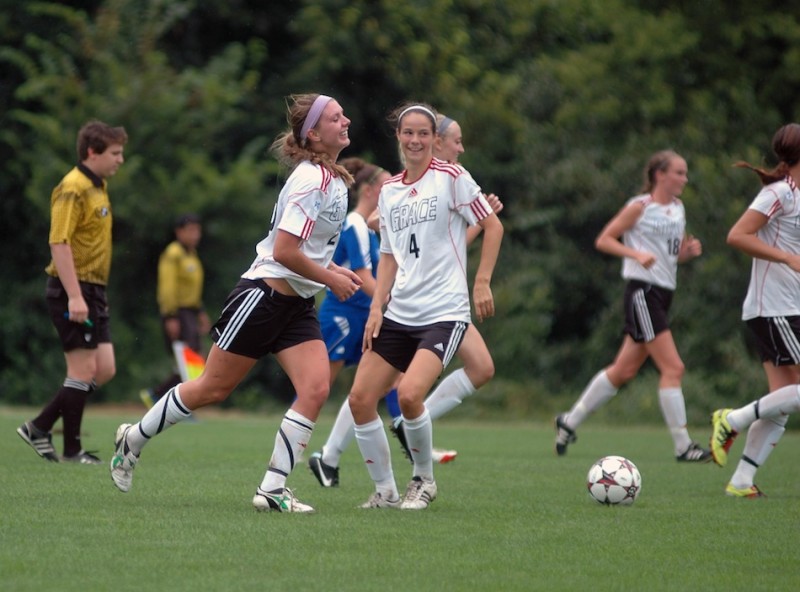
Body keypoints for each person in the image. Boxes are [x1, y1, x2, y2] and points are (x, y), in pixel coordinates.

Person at [109, 93, 361, 513]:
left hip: (296, 305)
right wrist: (331, 279)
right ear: (314, 134)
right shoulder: (309, 180)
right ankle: (132, 438)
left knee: (315, 388)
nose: (347, 121)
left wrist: (335, 268)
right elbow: (283, 251)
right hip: (262, 297)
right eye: (337, 118)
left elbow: (308, 249)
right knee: (212, 387)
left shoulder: (333, 179)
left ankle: (273, 489)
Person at [308, 113, 504, 488]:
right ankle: (372, 481)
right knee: (358, 397)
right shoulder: (392, 191)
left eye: (423, 133)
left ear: (432, 139)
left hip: (444, 309)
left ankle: (420, 472)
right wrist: (377, 307)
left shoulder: (454, 179)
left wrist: (482, 281)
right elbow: (391, 254)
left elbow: (474, 235)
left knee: (418, 392)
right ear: (399, 136)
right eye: (409, 133)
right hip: (390, 311)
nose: (416, 140)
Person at [554, 150, 711, 462]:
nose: (684, 178)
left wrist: (686, 254)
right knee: (673, 367)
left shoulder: (678, 209)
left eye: (684, 172)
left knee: (623, 370)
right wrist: (635, 255)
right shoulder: (639, 206)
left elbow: (670, 253)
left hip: (664, 293)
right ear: (659, 175)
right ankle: (683, 446)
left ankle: (568, 422)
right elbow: (605, 239)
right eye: (679, 172)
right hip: (643, 292)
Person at [17, 120, 128, 464]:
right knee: (80, 372)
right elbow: (59, 242)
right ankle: (72, 450)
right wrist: (76, 295)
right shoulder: (73, 187)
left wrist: (94, 292)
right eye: (115, 153)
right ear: (92, 152)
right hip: (71, 290)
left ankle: (40, 426)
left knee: (104, 369)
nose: (120, 160)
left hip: (93, 290)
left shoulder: (99, 185)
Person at [710, 123, 800, 497]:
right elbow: (737, 234)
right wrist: (786, 258)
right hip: (773, 306)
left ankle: (742, 481)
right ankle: (732, 419)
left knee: (781, 399)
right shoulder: (780, 193)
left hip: (787, 307)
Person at [139, 213, 211, 409]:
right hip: (178, 314)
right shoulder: (173, 253)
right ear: (179, 232)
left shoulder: (192, 255)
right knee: (188, 361)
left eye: (198, 230)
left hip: (190, 313)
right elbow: (167, 287)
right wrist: (170, 316)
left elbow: (192, 290)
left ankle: (159, 397)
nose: (195, 235)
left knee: (192, 361)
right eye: (190, 230)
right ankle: (167, 401)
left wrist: (201, 312)